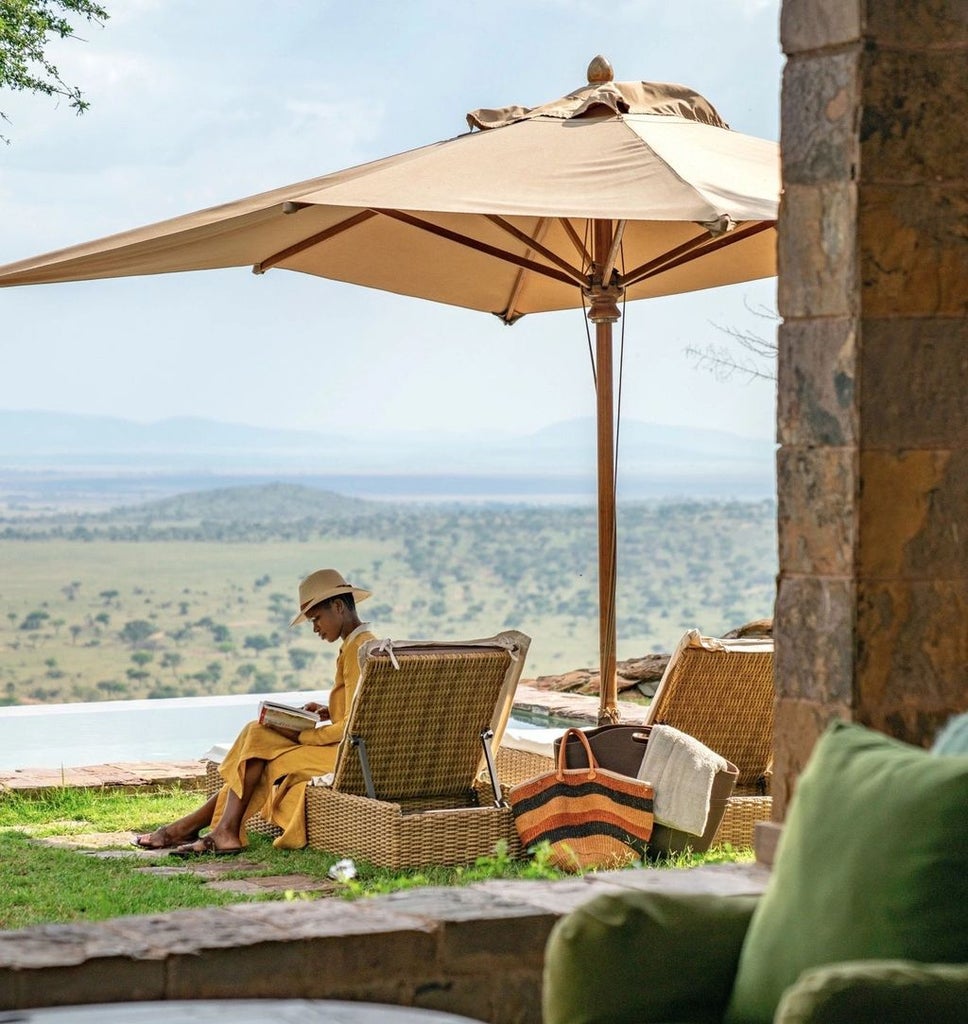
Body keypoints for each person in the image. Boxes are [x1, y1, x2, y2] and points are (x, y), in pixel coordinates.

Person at [132, 569, 375, 855]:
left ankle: (201, 830)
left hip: (346, 753)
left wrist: (303, 736)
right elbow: (361, 709)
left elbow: (354, 728)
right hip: (341, 744)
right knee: (256, 734)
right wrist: (327, 710)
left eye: (316, 619)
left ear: (338, 606)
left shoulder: (358, 648)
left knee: (257, 752)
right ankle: (217, 831)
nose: (315, 628)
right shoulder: (358, 644)